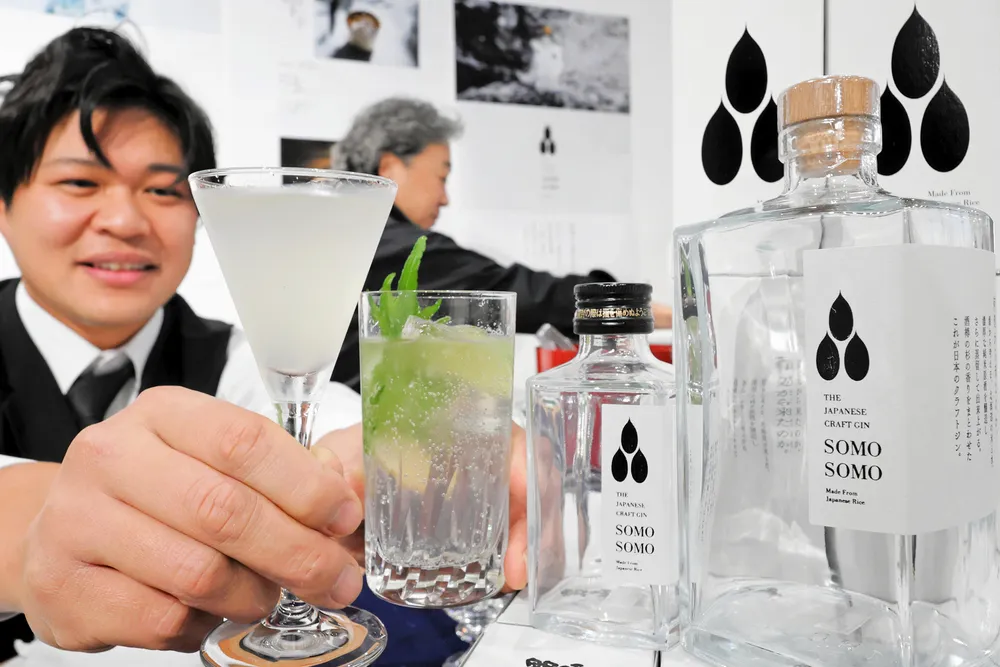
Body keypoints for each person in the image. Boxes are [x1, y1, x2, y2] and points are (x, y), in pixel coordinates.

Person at [330, 97, 673, 390]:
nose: (445, 198)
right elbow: (517, 293)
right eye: (441, 177)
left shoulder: (342, 232)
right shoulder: (390, 245)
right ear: (390, 168)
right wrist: (627, 306)